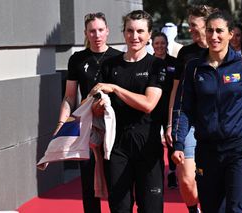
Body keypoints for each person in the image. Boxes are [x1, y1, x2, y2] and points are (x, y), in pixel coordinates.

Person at [172, 10, 242, 212]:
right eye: (209, 31)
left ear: (231, 34)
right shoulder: (194, 68)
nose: (214, 36)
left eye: (219, 31)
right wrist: (178, 142)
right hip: (207, 151)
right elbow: (183, 108)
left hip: (239, 150)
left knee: (237, 208)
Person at [90, 10, 166, 213]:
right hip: (117, 147)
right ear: (123, 33)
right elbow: (95, 106)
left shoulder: (157, 65)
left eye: (140, 31)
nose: (135, 36)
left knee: (151, 209)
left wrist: (115, 88)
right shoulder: (109, 66)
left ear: (150, 35)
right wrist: (96, 108)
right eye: (130, 31)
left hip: (148, 147)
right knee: (119, 208)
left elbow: (148, 104)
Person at [53, 12, 121, 213]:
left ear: (107, 31)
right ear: (86, 33)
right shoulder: (77, 59)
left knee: (116, 181)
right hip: (87, 128)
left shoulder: (118, 58)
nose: (97, 35)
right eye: (92, 31)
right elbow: (69, 97)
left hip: (113, 129)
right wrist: (61, 124)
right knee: (88, 182)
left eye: (101, 30)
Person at [165, 5, 218, 213]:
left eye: (194, 26)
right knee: (186, 179)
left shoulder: (221, 50)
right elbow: (175, 91)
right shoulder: (186, 53)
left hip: (216, 124)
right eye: (190, 26)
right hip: (188, 123)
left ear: (207, 25)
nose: (190, 30)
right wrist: (171, 123)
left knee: (214, 179)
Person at [152, 32, 178, 189]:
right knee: (154, 144)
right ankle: (157, 173)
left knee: (171, 143)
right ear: (152, 45)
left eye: (162, 43)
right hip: (153, 110)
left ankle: (172, 173)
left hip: (170, 109)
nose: (160, 46)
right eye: (157, 43)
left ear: (167, 44)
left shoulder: (174, 63)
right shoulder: (148, 63)